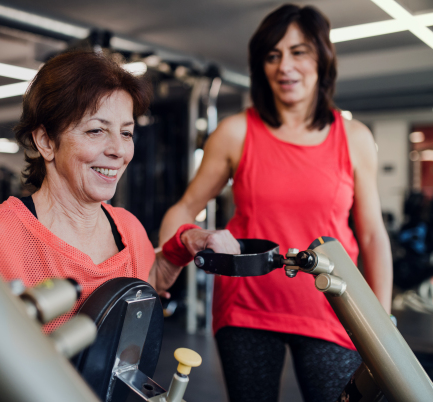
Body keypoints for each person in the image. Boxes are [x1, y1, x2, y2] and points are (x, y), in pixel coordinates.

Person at [0, 50, 238, 401]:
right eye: (96, 131)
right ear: (46, 141)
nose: (119, 150)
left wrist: (184, 244)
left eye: (126, 132)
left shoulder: (126, 227)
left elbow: (142, 284)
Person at [159, 4, 392, 402]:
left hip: (332, 307)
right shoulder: (235, 133)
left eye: (299, 52)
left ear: (322, 58)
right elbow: (183, 208)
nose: (285, 66)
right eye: (273, 55)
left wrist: (382, 324)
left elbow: (371, 234)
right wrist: (168, 265)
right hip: (247, 308)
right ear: (261, 66)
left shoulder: (354, 137)